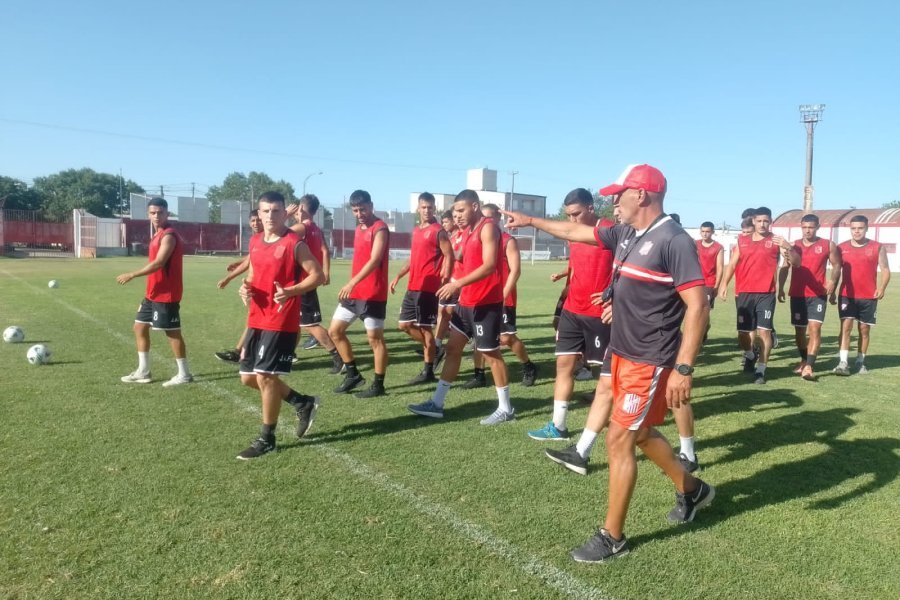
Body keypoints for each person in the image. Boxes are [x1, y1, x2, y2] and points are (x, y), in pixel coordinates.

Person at [502, 164, 713, 563]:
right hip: (620, 350)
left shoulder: (673, 240)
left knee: (619, 439)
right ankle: (692, 489)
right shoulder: (627, 233)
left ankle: (611, 537)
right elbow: (575, 232)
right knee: (641, 433)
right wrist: (530, 221)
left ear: (642, 195)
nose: (613, 201)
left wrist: (684, 368)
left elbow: (698, 306)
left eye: (620, 194)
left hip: (648, 358)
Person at [408, 189, 515, 425]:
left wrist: (457, 283)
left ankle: (506, 408)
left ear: (474, 206)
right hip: (466, 303)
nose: (457, 215)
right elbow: (462, 258)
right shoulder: (467, 232)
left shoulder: (488, 227)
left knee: (491, 354)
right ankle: (437, 403)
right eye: (455, 211)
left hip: (485, 304)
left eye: (461, 210)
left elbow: (489, 265)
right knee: (453, 349)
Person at [235, 191, 325, 460]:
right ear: (258, 213)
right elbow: (253, 274)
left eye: (276, 211)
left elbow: (317, 275)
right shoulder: (255, 241)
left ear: (285, 213)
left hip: (281, 320)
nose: (270, 216)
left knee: (265, 377)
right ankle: (302, 402)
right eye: (265, 211)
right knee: (248, 378)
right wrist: (245, 287)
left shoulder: (294, 243)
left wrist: (291, 291)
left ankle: (267, 438)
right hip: (256, 318)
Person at [527, 189, 612, 440]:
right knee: (564, 365)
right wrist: (564, 295)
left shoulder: (609, 231)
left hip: (599, 313)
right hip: (572, 310)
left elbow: (626, 268)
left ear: (591, 208)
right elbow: (576, 266)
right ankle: (558, 425)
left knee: (606, 373)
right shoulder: (572, 234)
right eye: (568, 215)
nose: (572, 220)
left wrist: (613, 294)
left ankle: (622, 416)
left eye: (576, 214)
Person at [117, 197, 194, 387]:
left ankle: (184, 374)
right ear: (148, 214)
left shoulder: (169, 235)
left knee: (172, 333)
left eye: (160, 212)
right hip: (152, 293)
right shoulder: (157, 234)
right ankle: (143, 371)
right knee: (139, 327)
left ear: (168, 214)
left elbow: (159, 263)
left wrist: (132, 274)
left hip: (166, 294)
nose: (156, 216)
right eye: (153, 213)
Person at [462, 204, 538, 388]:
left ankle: (528, 366)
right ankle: (479, 375)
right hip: (482, 296)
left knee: (506, 338)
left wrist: (503, 295)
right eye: (483, 216)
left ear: (498, 218)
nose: (485, 220)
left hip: (503, 297)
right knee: (480, 338)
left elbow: (515, 271)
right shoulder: (477, 236)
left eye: (489, 217)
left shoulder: (507, 240)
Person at [719, 207, 798, 384]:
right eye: (759, 221)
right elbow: (732, 264)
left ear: (770, 222)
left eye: (766, 221)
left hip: (766, 294)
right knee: (743, 334)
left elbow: (796, 263)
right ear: (753, 221)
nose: (762, 224)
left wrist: (789, 247)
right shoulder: (742, 240)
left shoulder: (776, 240)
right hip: (744, 293)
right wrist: (724, 284)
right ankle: (750, 354)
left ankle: (761, 370)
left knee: (764, 332)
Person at [329, 190, 391, 398]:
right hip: (354, 294)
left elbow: (375, 260)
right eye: (355, 210)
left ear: (371, 206)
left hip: (373, 293)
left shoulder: (380, 228)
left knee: (375, 340)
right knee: (335, 331)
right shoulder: (358, 229)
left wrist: (351, 282)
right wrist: (353, 285)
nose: (359, 214)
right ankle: (353, 374)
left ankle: (378, 385)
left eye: (362, 209)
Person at [390, 192, 453, 383]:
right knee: (404, 325)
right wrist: (398, 276)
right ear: (418, 208)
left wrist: (445, 280)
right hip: (413, 286)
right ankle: (435, 349)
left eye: (430, 207)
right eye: (424, 207)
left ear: (435, 208)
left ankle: (428, 371)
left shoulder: (438, 231)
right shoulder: (417, 230)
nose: (427, 210)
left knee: (425, 328)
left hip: (428, 288)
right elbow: (413, 258)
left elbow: (449, 255)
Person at [777, 214, 841, 380]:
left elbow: (836, 265)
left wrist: (833, 281)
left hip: (818, 294)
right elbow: (785, 267)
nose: (807, 230)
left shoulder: (828, 245)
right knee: (799, 331)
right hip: (797, 294)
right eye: (804, 227)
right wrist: (781, 288)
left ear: (818, 227)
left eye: (811, 227)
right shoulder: (794, 245)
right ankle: (804, 359)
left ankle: (809, 366)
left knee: (815, 329)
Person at [286, 194, 343, 374]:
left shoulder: (301, 228)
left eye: (297, 208)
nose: (295, 212)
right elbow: (324, 250)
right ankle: (288, 355)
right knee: (295, 322)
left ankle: (339, 357)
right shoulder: (316, 229)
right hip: (306, 282)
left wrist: (285, 215)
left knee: (310, 324)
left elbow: (276, 235)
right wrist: (325, 273)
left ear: (302, 208)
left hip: (303, 283)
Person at [831, 215, 891, 375]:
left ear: (866, 228)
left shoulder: (877, 247)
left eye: (860, 228)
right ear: (850, 229)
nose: (856, 231)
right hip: (847, 295)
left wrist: (882, 288)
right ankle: (843, 362)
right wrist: (833, 291)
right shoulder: (841, 248)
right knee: (845, 327)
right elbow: (836, 271)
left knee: (864, 330)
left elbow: (885, 269)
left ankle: (860, 361)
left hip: (869, 296)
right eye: (853, 228)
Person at [215, 209, 264, 363]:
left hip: (262, 288)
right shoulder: (255, 239)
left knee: (257, 321)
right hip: (252, 287)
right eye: (253, 220)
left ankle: (240, 352)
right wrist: (234, 270)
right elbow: (250, 259)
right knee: (256, 320)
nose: (256, 223)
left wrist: (229, 278)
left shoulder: (271, 238)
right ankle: (242, 351)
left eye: (258, 220)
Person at [434, 210, 464, 346]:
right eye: (443, 222)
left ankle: (472, 339)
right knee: (442, 312)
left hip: (458, 281)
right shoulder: (449, 238)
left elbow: (459, 255)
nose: (444, 225)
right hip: (447, 281)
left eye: (446, 222)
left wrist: (448, 253)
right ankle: (437, 345)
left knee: (450, 313)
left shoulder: (463, 236)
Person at [696, 221, 724, 317]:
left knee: (705, 312)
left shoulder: (718, 247)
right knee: (694, 310)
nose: (705, 234)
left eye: (707, 231)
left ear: (712, 232)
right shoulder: (695, 244)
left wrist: (716, 286)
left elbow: (720, 268)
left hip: (709, 284)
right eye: (703, 231)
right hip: (696, 283)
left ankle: (705, 327)